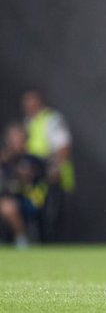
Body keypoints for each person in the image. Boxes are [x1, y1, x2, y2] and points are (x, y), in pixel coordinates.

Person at [22, 90, 74, 241]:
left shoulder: (52, 120)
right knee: (37, 212)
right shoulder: (28, 121)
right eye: (26, 105)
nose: (28, 108)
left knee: (52, 214)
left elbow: (63, 146)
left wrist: (55, 169)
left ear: (39, 103)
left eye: (31, 104)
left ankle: (54, 246)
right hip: (35, 178)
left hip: (51, 175)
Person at [0, 124, 48, 248]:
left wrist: (21, 173)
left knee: (7, 206)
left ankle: (22, 239)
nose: (16, 141)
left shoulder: (32, 159)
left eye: (19, 138)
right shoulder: (4, 159)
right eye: (13, 138)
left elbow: (33, 177)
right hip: (6, 198)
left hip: (29, 199)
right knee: (6, 204)